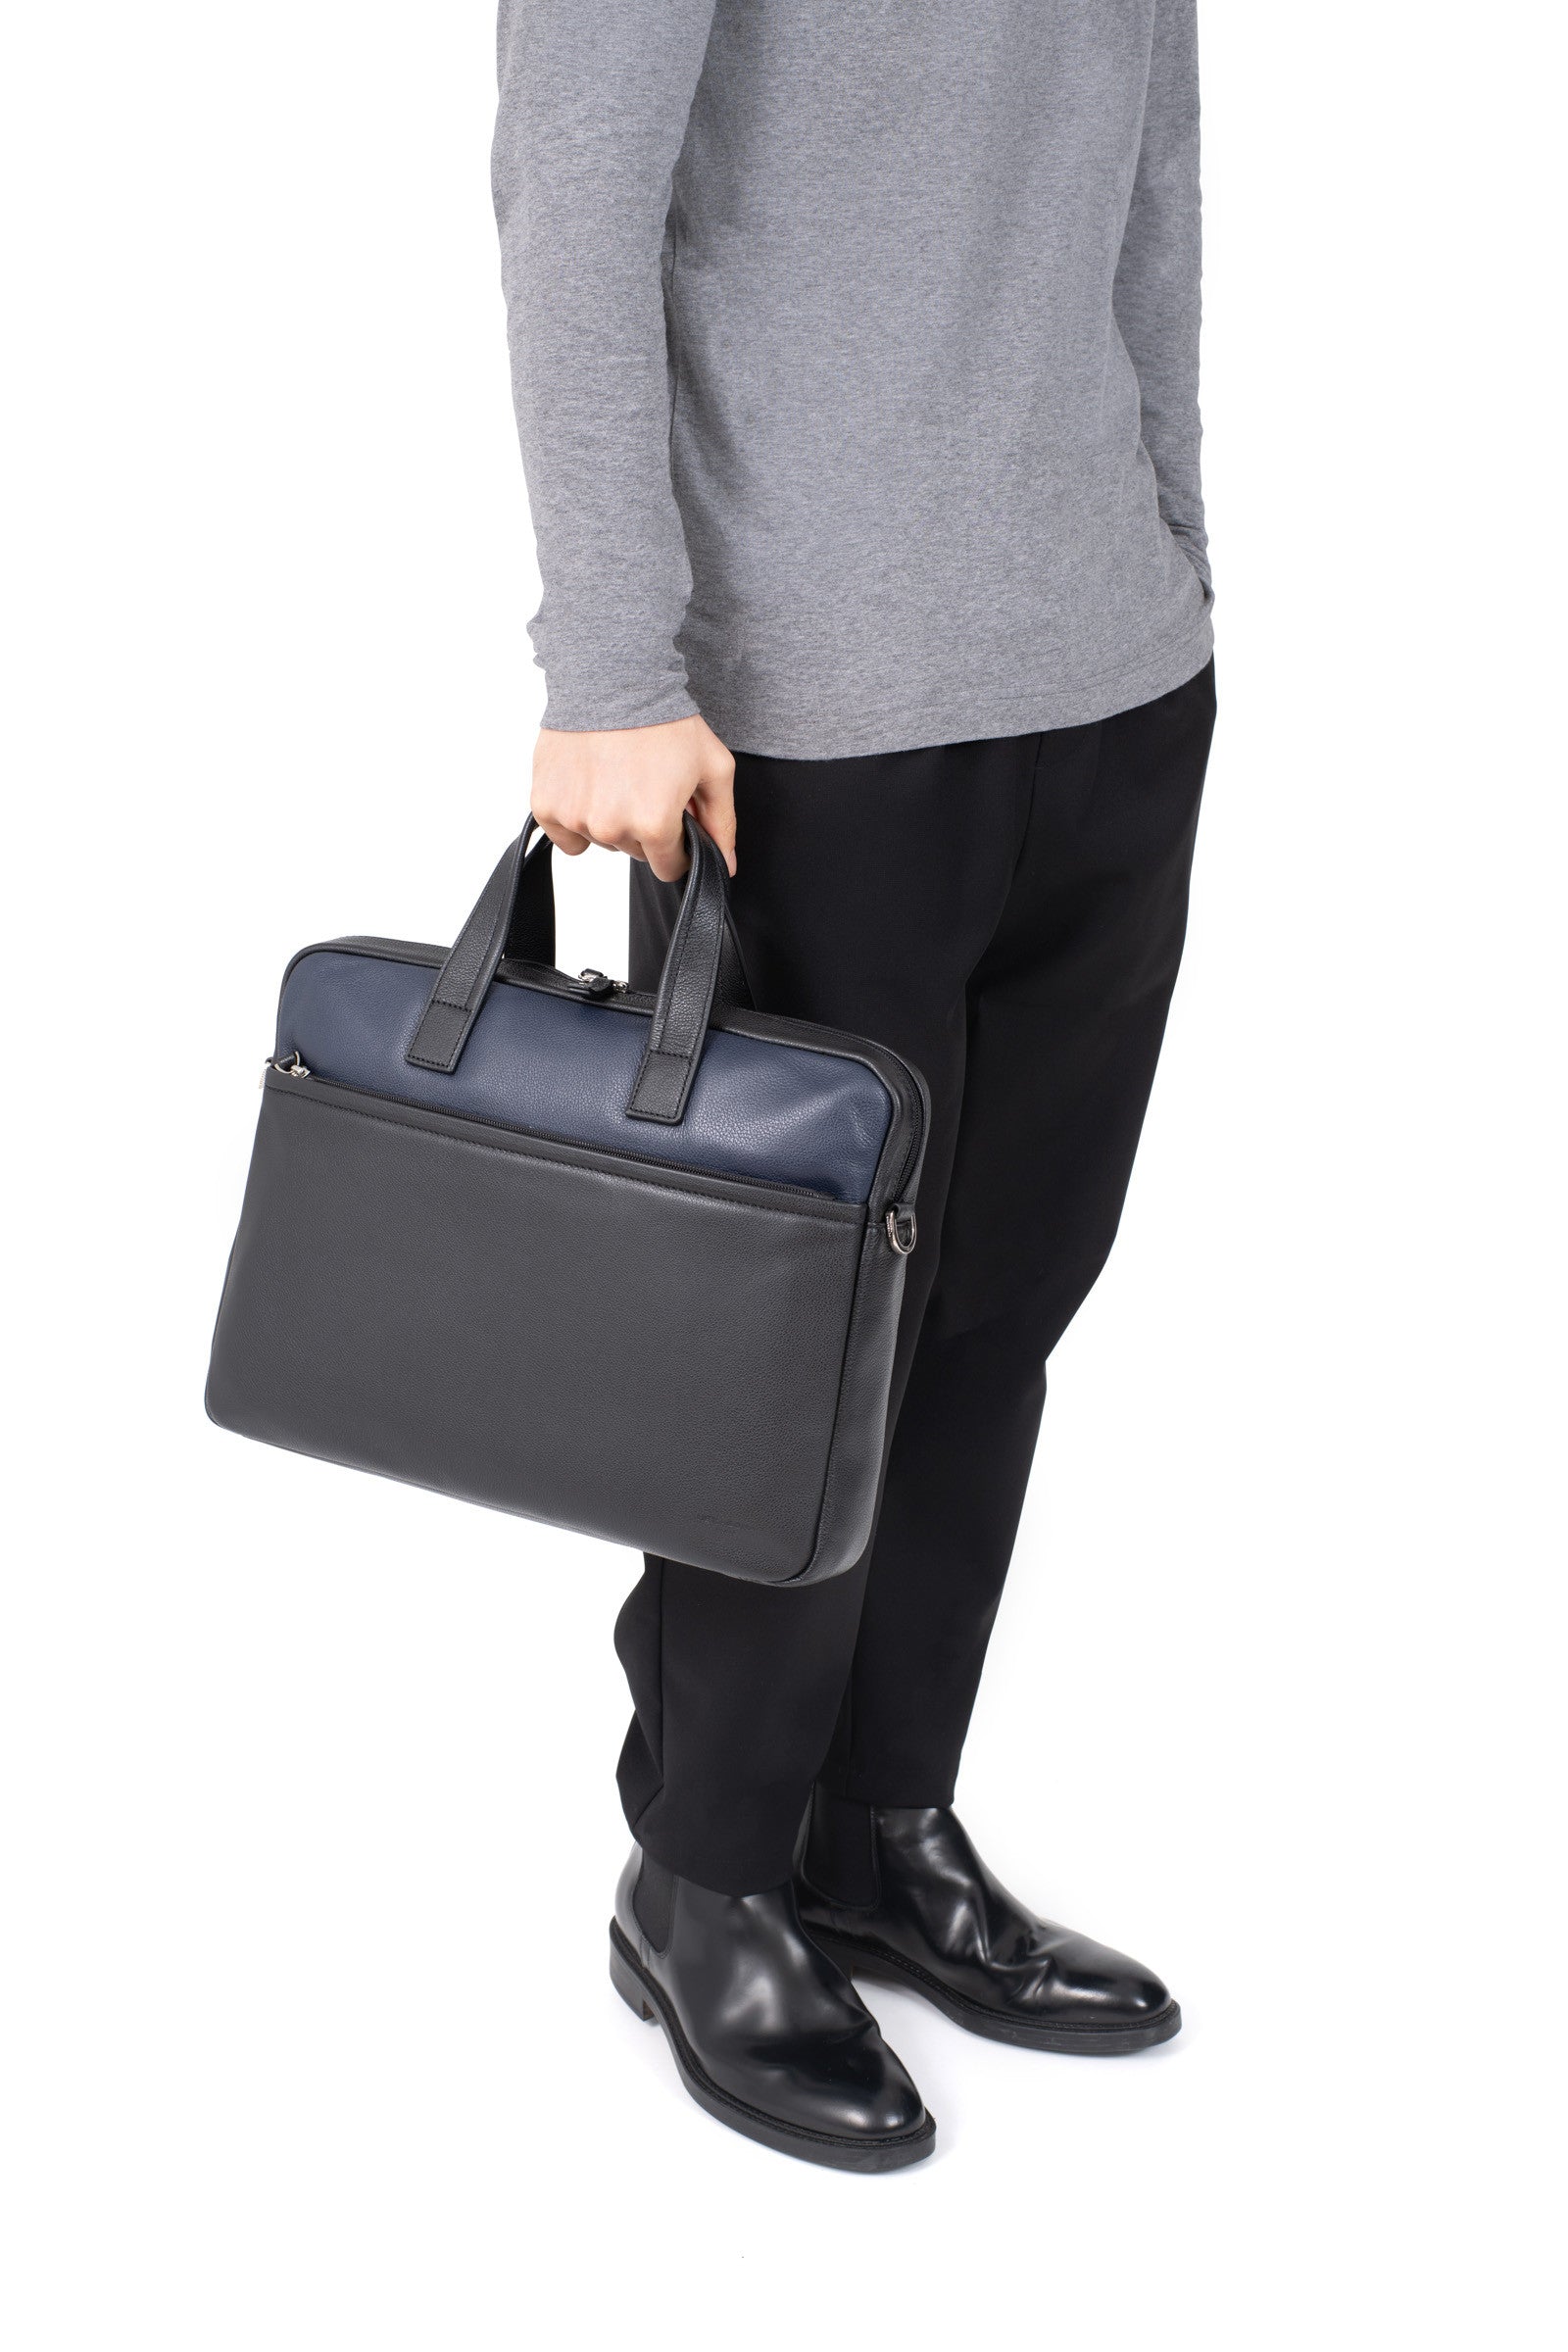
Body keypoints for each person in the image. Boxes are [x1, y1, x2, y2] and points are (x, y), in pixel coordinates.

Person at [493, 0, 1216, 2171]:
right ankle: (705, 1876)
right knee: (791, 1357)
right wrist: (610, 665)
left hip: (1110, 665)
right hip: (800, 704)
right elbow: (574, 193)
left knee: (1000, 1306)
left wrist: (1172, 533)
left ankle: (882, 1828)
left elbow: (1152, 170)